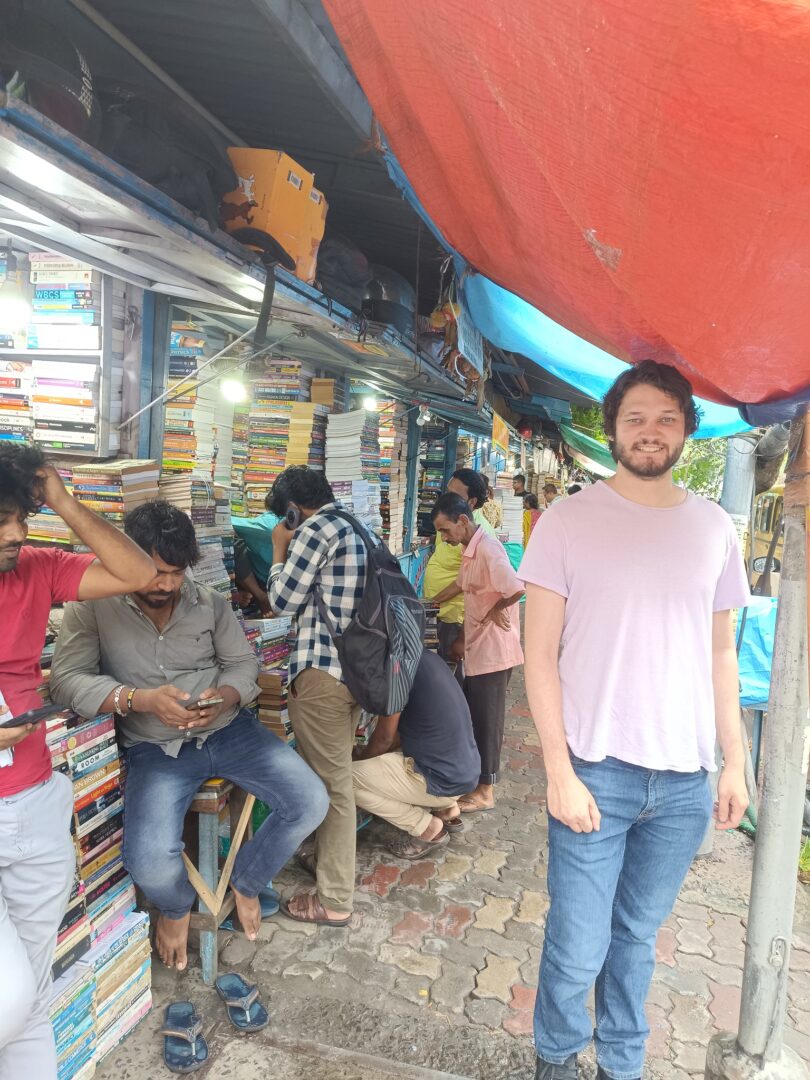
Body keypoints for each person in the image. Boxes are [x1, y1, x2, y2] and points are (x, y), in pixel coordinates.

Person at [520, 360, 750, 1080]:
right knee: (578, 942)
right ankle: (557, 1059)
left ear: (686, 430)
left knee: (637, 936)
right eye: (636, 418)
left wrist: (736, 761)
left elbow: (721, 655)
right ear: (613, 430)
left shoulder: (714, 527)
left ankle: (622, 1062)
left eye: (666, 419)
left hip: (684, 783)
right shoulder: (566, 521)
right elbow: (539, 657)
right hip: (596, 772)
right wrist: (558, 771)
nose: (651, 432)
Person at [50, 500, 328, 971]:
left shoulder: (209, 603)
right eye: (156, 572)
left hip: (228, 730)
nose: (167, 585)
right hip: (155, 747)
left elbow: (243, 664)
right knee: (150, 861)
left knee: (311, 800)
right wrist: (139, 700)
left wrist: (224, 696)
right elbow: (67, 680)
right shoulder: (92, 606)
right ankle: (177, 910)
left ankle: (246, 881)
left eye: (176, 573)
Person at [0, 445, 155, 1080]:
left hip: (35, 802)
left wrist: (61, 500)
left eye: (18, 517)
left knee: (31, 996)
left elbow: (137, 572)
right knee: (9, 999)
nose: (13, 533)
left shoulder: (34, 568)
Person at [265, 465, 369, 927]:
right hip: (356, 675)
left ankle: (335, 900)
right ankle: (328, 863)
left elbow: (282, 601)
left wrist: (276, 550)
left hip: (323, 675)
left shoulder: (315, 530)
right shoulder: (355, 525)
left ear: (292, 509)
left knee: (330, 787)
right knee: (336, 775)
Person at [430, 492, 524, 813]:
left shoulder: (488, 549)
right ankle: (473, 779)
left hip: (495, 649)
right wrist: (427, 603)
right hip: (478, 647)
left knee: (487, 719)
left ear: (463, 521)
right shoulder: (471, 550)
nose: (443, 538)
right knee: (470, 712)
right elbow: (459, 585)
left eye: (445, 530)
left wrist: (499, 606)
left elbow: (516, 587)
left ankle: (486, 791)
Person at [352, 650, 481, 859]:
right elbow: (399, 736)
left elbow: (385, 738)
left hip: (440, 779)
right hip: (465, 773)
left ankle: (426, 828)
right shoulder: (427, 658)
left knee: (343, 780)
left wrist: (360, 762)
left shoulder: (397, 669)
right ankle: (448, 809)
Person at [423, 469, 497, 685]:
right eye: (447, 491)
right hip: (438, 612)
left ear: (471, 502)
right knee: (437, 676)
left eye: (454, 494)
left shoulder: (479, 536)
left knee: (451, 678)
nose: (446, 498)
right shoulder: (449, 521)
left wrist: (463, 636)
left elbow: (475, 584)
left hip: (454, 617)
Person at [231, 493, 281, 615]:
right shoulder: (271, 525)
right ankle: (260, 597)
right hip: (264, 579)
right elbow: (222, 523)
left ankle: (260, 597)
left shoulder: (270, 526)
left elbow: (226, 522)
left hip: (269, 580)